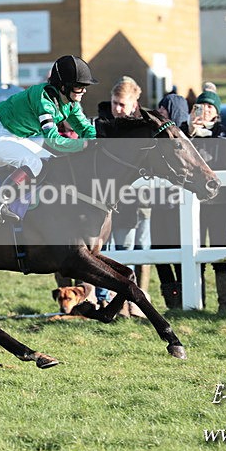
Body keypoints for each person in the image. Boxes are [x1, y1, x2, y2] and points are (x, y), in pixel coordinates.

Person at [0, 55, 97, 222]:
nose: (84, 90)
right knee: (33, 163)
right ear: (64, 87)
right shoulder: (44, 101)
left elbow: (85, 128)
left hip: (16, 136)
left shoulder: (71, 104)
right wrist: (84, 144)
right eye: (80, 86)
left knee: (52, 161)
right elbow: (53, 140)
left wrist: (99, 140)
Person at [93, 76, 152, 306]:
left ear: (134, 104)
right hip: (105, 198)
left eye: (122, 104)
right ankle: (104, 298)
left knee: (136, 250)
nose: (117, 109)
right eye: (114, 102)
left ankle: (135, 299)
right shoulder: (101, 124)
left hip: (138, 200)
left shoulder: (143, 126)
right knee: (104, 250)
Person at [181, 90, 226, 315]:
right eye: (200, 106)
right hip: (194, 206)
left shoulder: (224, 135)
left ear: (217, 112)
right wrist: (190, 133)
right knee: (195, 254)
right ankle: (197, 303)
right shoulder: (186, 134)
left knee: (218, 252)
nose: (204, 111)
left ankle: (224, 305)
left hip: (221, 205)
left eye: (209, 107)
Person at [151, 90, 189, 310]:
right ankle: (172, 302)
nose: (160, 111)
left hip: (178, 208)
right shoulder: (158, 138)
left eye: (164, 108)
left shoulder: (185, 138)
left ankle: (186, 299)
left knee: (179, 253)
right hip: (159, 205)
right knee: (160, 254)